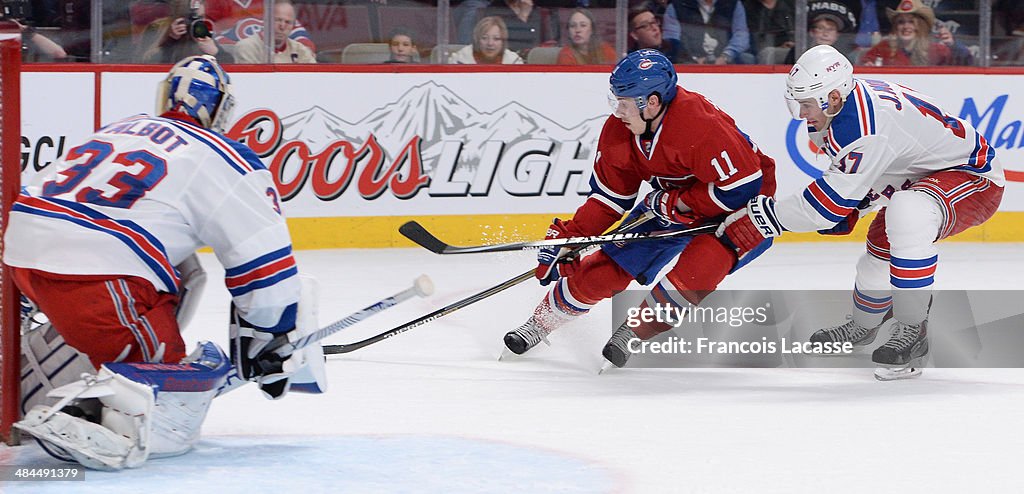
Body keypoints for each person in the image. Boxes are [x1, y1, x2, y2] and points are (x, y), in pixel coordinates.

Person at [7, 55, 324, 469]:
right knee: (167, 398)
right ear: (222, 109)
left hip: (21, 252)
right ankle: (106, 404)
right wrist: (269, 337)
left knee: (183, 270)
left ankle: (53, 363)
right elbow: (265, 264)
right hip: (95, 273)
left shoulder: (122, 127)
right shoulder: (225, 156)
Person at [717, 45, 1004, 380]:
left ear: (833, 97)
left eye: (807, 104)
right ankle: (864, 325)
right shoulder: (844, 107)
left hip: (974, 178)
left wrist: (763, 218)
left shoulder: (861, 126)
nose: (802, 113)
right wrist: (859, 201)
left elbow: (823, 208)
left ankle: (913, 334)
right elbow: (886, 164)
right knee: (877, 253)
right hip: (921, 175)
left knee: (907, 213)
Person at [502, 49, 777, 368]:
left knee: (696, 273)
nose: (617, 110)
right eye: (616, 100)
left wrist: (680, 203)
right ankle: (539, 324)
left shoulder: (699, 125)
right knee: (605, 269)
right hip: (671, 203)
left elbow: (740, 188)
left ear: (653, 102)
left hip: (742, 209)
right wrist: (571, 238)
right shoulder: (619, 130)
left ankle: (635, 331)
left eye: (625, 101)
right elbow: (610, 199)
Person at [858, 0, 953, 66]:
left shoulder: (938, 50)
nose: (906, 26)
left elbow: (961, 62)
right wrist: (868, 64)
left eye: (911, 22)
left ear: (921, 26)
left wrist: (953, 45)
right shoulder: (884, 47)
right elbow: (866, 63)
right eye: (901, 22)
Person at [137, 0, 234, 64]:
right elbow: (143, 62)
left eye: (200, 2)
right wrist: (170, 39)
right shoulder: (158, 28)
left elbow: (230, 65)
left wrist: (215, 52)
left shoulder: (199, 28)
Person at [670, 0, 755, 64]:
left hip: (727, 60)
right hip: (690, 61)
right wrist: (693, 59)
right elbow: (672, 39)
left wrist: (726, 56)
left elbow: (741, 34)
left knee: (747, 58)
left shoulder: (733, 4)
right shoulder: (677, 5)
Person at [233, 0, 315, 63]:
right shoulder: (247, 48)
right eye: (277, 20)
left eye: (288, 22)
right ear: (266, 20)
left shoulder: (301, 50)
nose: (282, 26)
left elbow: (314, 79)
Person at [450, 15, 524, 64]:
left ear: (503, 41)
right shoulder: (459, 60)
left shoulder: (513, 62)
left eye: (496, 39)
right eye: (484, 38)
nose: (490, 43)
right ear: (477, 40)